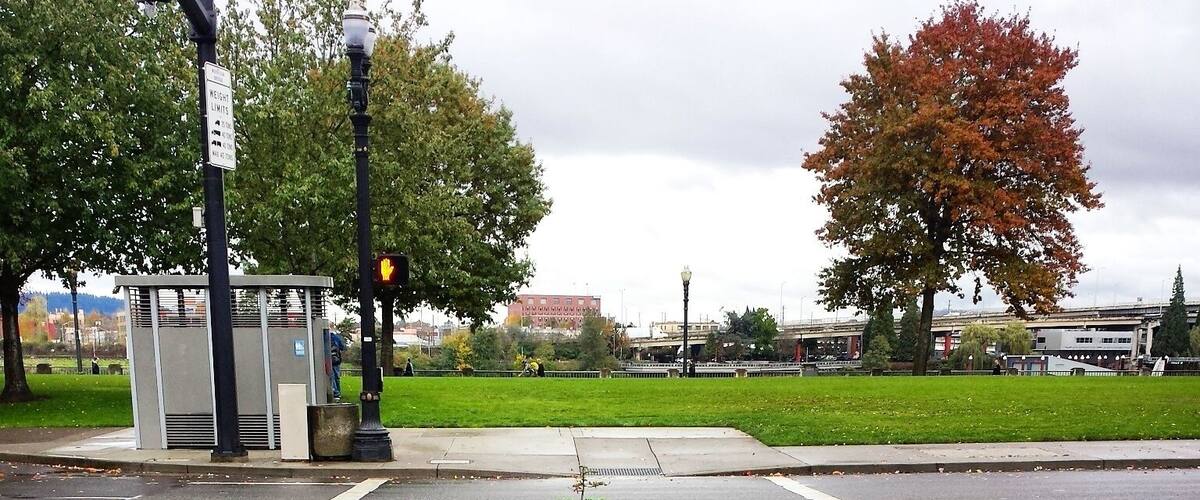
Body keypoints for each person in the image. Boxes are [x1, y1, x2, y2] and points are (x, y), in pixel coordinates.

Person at [330, 329, 347, 399]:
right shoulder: (338, 337)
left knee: (332, 376)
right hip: (337, 359)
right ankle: (338, 392)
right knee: (337, 377)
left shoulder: (325, 336)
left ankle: (336, 392)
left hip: (329, 359)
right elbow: (343, 347)